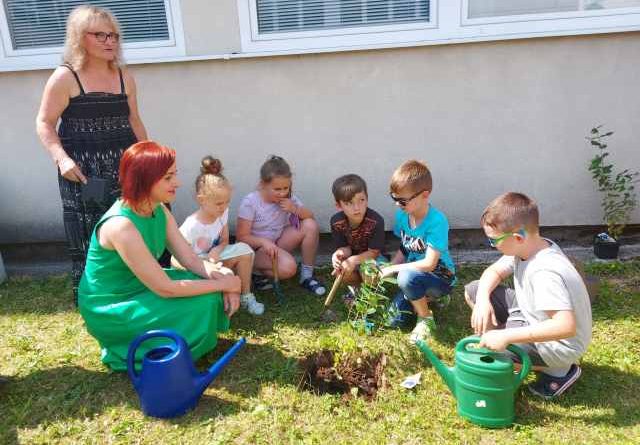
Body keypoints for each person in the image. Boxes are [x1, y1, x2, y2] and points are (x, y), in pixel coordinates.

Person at [78, 141, 241, 371]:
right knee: (204, 298)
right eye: (168, 178)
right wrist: (224, 284)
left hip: (143, 287)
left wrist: (223, 276)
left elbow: (191, 260)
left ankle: (176, 342)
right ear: (143, 179)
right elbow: (165, 288)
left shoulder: (159, 210)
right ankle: (137, 345)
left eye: (174, 175)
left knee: (206, 289)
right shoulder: (121, 225)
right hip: (113, 306)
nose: (178, 183)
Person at [36, 5, 147, 299]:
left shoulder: (124, 76)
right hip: (84, 172)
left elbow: (134, 119)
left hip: (124, 165)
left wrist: (146, 160)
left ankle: (137, 290)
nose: (110, 41)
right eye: (101, 35)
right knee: (91, 235)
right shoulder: (65, 77)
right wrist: (62, 159)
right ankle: (94, 298)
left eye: (114, 36)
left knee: (133, 227)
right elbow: (44, 122)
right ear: (79, 37)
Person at [465, 192, 592, 400]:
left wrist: (505, 336)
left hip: (560, 344)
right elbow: (493, 273)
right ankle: (512, 349)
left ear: (517, 237)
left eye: (493, 241)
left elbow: (564, 327)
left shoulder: (544, 272)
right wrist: (482, 301)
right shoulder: (532, 245)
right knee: (475, 290)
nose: (492, 246)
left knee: (485, 354)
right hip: (532, 312)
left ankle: (559, 371)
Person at [172, 156, 264, 315]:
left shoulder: (222, 214)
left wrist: (217, 250)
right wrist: (204, 263)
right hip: (197, 270)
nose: (224, 207)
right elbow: (175, 260)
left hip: (216, 260)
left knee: (245, 250)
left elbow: (225, 240)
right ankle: (220, 295)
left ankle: (246, 295)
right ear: (202, 200)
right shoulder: (191, 226)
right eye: (219, 204)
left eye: (227, 202)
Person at [380, 160, 456, 344]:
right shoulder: (403, 215)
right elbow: (404, 247)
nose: (398, 204)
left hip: (440, 277)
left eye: (403, 200)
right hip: (414, 274)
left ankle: (426, 317)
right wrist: (390, 266)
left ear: (424, 195)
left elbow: (429, 264)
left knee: (405, 277)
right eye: (394, 198)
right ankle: (424, 298)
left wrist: (395, 270)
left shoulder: (437, 221)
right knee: (394, 321)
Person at [236, 155, 326, 296]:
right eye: (277, 189)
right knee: (289, 268)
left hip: (277, 243)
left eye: (286, 187)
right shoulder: (250, 202)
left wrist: (295, 209)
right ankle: (255, 272)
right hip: (255, 250)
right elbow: (242, 237)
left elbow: (310, 217)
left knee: (310, 225)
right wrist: (263, 242)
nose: (282, 192)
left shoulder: (288, 198)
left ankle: (307, 276)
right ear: (263, 184)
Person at [330, 174, 386, 304]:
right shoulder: (336, 222)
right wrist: (338, 254)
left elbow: (374, 252)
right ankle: (357, 290)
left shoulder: (376, 221)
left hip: (376, 259)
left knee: (368, 270)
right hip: (353, 259)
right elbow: (345, 248)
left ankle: (372, 292)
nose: (356, 207)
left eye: (361, 200)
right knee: (342, 271)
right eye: (349, 203)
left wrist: (352, 261)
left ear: (367, 199)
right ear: (339, 205)